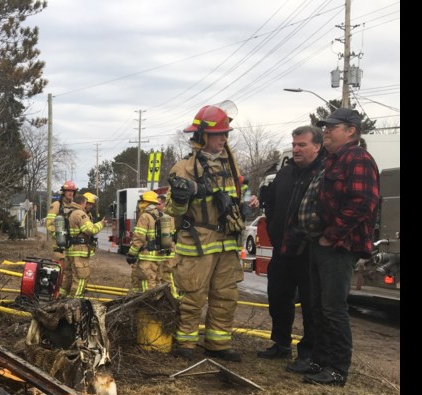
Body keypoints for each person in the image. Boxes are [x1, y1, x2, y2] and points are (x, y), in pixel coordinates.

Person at [166, 105, 257, 362]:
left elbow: (244, 191)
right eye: (219, 134)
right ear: (203, 136)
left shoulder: (231, 167)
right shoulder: (183, 168)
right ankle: (185, 343)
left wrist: (249, 201)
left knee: (225, 295)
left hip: (227, 241)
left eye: (226, 134)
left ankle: (218, 343)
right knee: (193, 294)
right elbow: (172, 208)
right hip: (198, 241)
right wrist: (183, 197)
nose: (224, 139)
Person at [300, 108, 380, 386]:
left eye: (333, 127)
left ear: (351, 131)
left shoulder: (358, 158)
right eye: (326, 126)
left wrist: (330, 235)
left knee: (333, 308)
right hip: (321, 244)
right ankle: (320, 362)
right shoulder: (333, 160)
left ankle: (337, 369)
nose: (327, 131)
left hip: (339, 246)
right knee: (319, 306)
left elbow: (362, 202)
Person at [256, 125, 325, 369]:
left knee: (310, 303)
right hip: (283, 249)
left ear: (317, 146)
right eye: (294, 144)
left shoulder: (325, 172)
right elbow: (271, 204)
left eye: (302, 145)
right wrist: (275, 227)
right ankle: (281, 344)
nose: (296, 149)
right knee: (278, 297)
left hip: (310, 251)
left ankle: (308, 353)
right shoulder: (285, 174)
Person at [125, 190, 177, 292]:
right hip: (160, 257)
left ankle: (148, 307)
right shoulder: (165, 216)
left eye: (141, 202)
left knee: (147, 286)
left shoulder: (145, 216)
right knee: (157, 284)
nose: (140, 205)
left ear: (146, 203)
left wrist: (131, 254)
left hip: (147, 258)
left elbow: (139, 238)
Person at [60, 191, 107, 298]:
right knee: (81, 277)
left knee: (68, 276)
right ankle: (74, 302)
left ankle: (61, 299)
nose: (89, 206)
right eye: (88, 204)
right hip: (79, 251)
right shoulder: (79, 213)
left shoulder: (68, 212)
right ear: (83, 203)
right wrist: (102, 223)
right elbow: (91, 230)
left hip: (70, 250)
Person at [45, 180, 82, 249]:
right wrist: (58, 235)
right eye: (68, 191)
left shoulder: (76, 206)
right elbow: (49, 224)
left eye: (72, 191)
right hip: (59, 245)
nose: (70, 193)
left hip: (72, 246)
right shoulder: (56, 205)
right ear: (64, 192)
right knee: (60, 260)